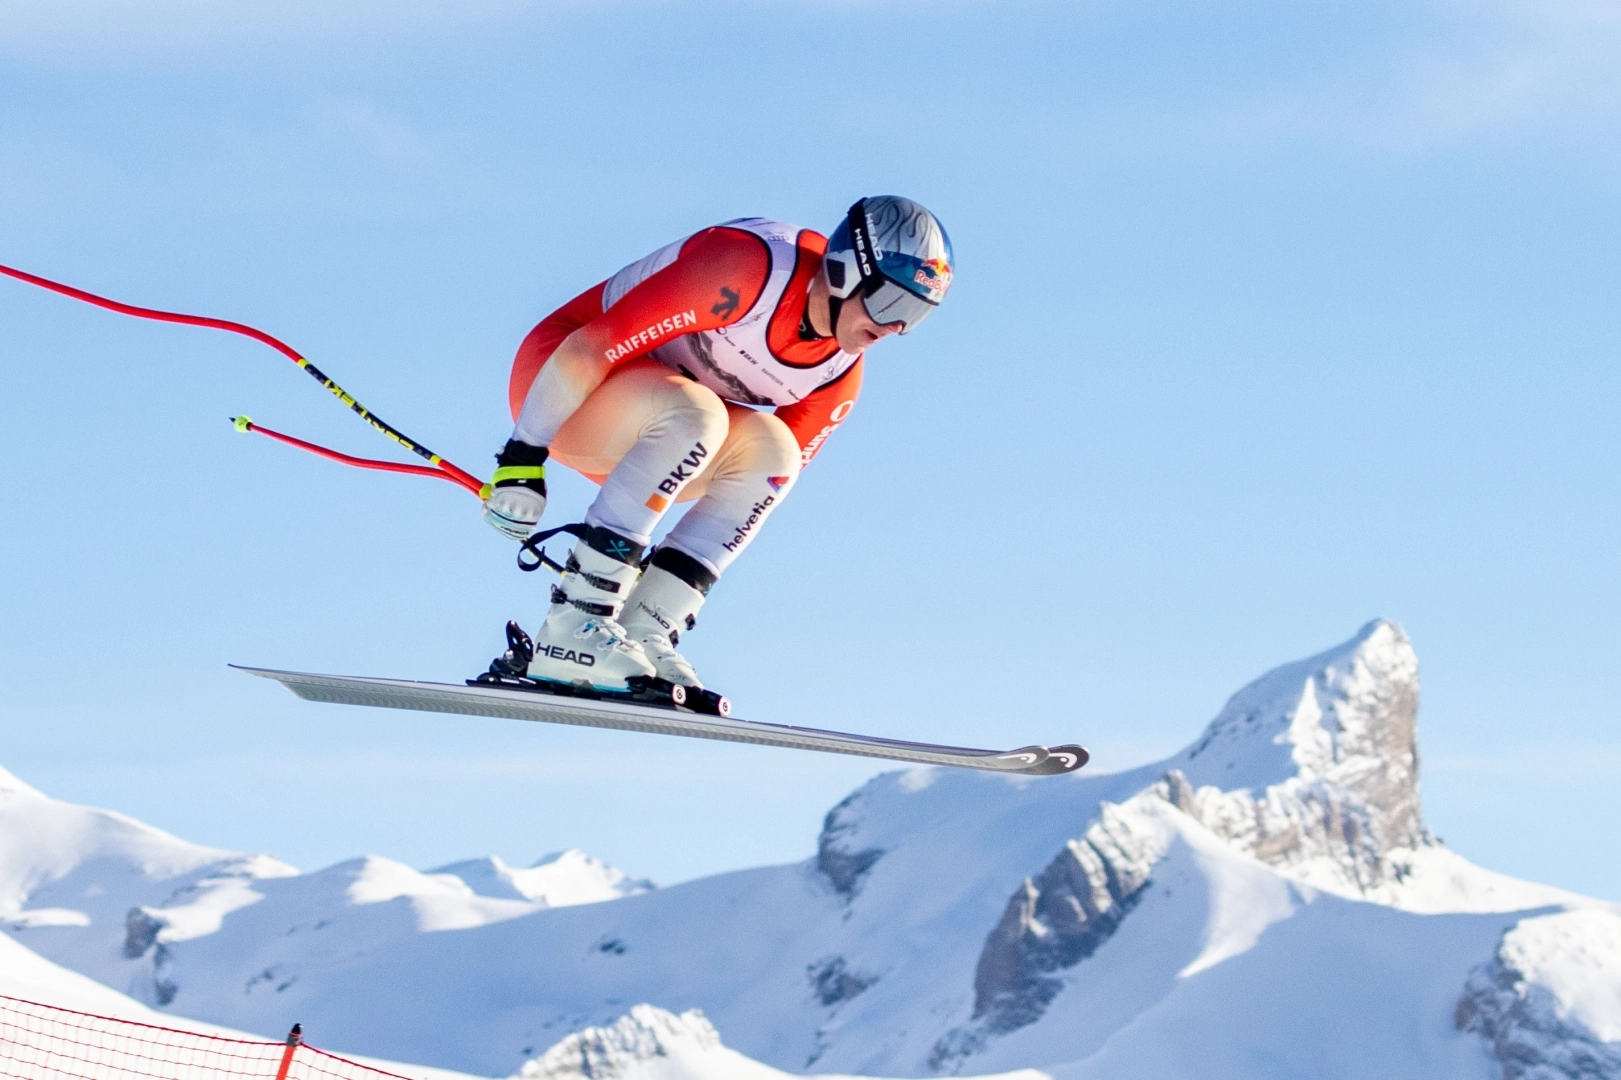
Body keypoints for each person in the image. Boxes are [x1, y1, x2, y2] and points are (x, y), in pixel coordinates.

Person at [482, 196, 954, 696]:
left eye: (915, 315)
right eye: (891, 303)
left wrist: (649, 574)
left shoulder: (837, 377)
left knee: (775, 456)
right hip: (557, 384)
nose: (894, 328)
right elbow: (588, 348)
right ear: (846, 271)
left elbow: (749, 492)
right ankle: (573, 624)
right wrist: (521, 460)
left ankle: (645, 628)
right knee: (699, 416)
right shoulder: (746, 268)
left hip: (664, 441)